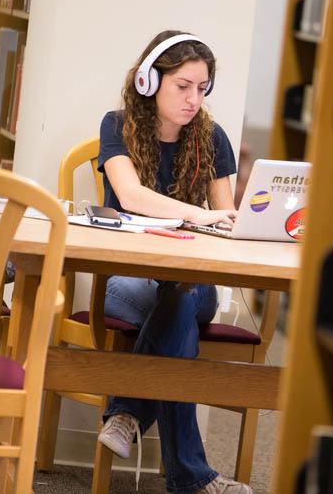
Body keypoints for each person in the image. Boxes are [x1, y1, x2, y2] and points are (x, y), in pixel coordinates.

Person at [95, 30, 252, 494]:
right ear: (149, 81)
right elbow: (130, 195)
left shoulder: (212, 137)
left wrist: (228, 220)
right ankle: (191, 478)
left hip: (192, 282)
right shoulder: (117, 124)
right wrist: (197, 213)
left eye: (202, 88)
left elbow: (223, 218)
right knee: (177, 308)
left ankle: (127, 410)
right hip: (128, 281)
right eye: (183, 85)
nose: (193, 99)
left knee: (183, 294)